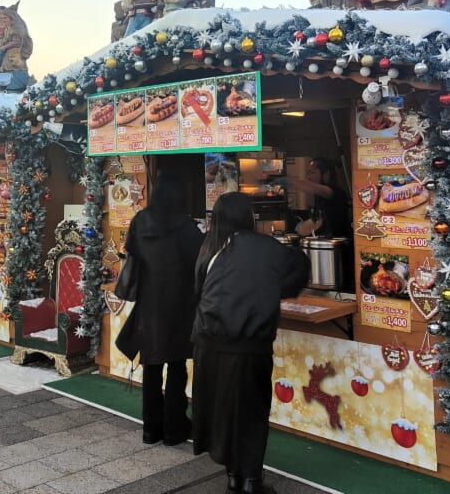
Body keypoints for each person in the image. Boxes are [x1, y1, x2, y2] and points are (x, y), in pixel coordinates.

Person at [192, 191, 310, 494]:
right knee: (252, 412)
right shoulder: (264, 246)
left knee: (223, 412)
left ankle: (233, 476)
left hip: (208, 345)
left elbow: (198, 292)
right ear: (249, 217)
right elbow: (298, 268)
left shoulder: (209, 247)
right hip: (249, 347)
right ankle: (252, 480)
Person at [115, 174, 203, 446]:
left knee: (151, 367)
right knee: (177, 367)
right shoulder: (188, 229)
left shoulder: (141, 221)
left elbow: (131, 252)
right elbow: (199, 265)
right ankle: (174, 429)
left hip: (149, 305)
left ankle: (150, 429)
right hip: (180, 305)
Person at [285, 158, 351, 238]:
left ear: (326, 174)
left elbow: (312, 188)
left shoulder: (335, 192)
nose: (308, 177)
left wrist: (288, 180)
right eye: (307, 173)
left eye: (312, 172)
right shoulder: (318, 196)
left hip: (337, 245)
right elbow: (316, 222)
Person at [0, 2, 33, 91]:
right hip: (1, 47)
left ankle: (12, 85)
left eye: (4, 15)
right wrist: (2, 41)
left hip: (13, 49)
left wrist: (5, 45)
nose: (1, 17)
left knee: (13, 65)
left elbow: (16, 40)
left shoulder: (15, 27)